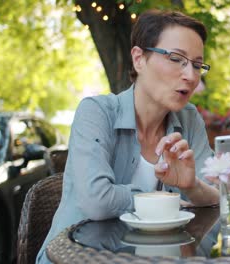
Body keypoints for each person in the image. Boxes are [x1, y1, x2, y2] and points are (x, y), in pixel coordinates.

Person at [37, 10, 219, 263]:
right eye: (177, 58)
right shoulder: (97, 111)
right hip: (75, 256)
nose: (190, 75)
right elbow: (97, 202)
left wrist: (191, 186)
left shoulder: (189, 118)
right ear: (139, 59)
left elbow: (216, 195)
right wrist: (168, 200)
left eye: (197, 65)